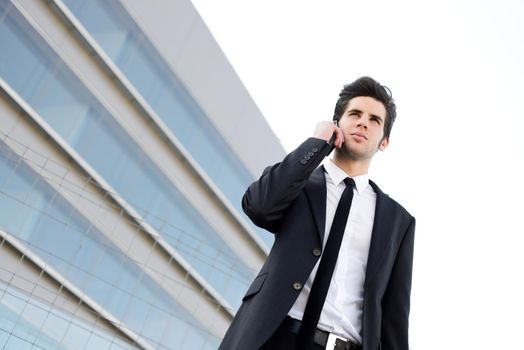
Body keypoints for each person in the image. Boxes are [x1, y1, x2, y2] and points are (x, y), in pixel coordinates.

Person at [219, 77, 415, 350]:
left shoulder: (398, 221)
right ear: (337, 123)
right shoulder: (298, 183)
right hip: (276, 338)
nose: (362, 123)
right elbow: (259, 207)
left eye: (374, 120)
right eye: (354, 114)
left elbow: (394, 317)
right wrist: (315, 144)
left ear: (384, 142)